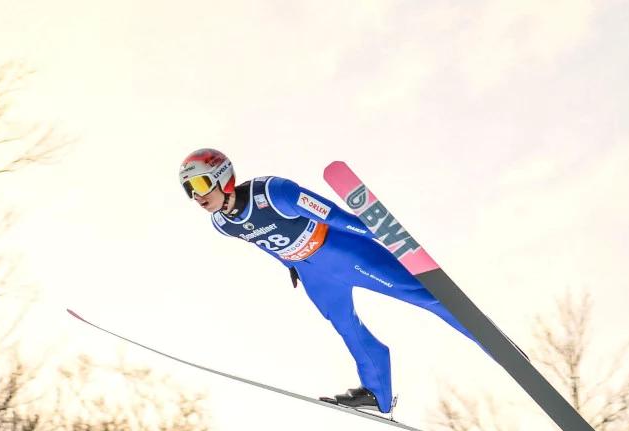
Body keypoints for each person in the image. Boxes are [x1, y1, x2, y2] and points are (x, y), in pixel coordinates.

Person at [179, 147, 481, 414]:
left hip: (343, 252)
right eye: (188, 190)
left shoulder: (274, 193)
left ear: (223, 176)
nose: (197, 196)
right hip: (314, 275)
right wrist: (289, 264)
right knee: (347, 328)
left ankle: (487, 337)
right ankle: (378, 395)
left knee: (421, 295)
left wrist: (380, 233)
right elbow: (262, 240)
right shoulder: (222, 224)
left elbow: (334, 215)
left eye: (200, 184)